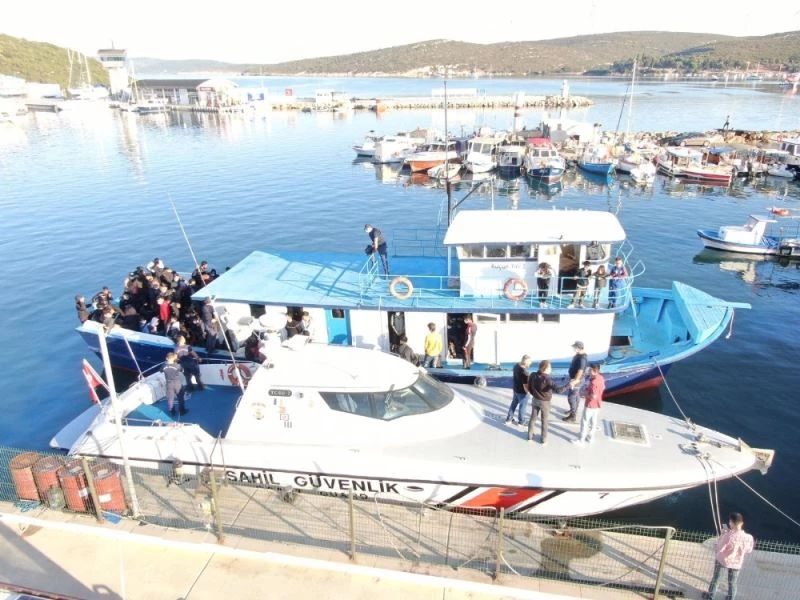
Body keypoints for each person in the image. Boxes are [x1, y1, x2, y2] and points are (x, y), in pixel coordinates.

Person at [703, 512, 754, 600]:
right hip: (737, 563)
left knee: (716, 580)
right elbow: (749, 550)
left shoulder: (728, 536)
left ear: (731, 523)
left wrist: (723, 535)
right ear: (742, 523)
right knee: (732, 583)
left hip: (723, 561)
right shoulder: (749, 537)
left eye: (730, 522)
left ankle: (710, 597)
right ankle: (730, 598)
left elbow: (719, 547)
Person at [527, 360, 560, 445]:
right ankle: (543, 439)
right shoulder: (547, 379)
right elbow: (559, 390)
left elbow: (529, 387)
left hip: (535, 400)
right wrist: (569, 384)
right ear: (545, 368)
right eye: (550, 367)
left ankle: (530, 436)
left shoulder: (533, 374)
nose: (551, 369)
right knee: (544, 421)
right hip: (545, 402)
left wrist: (534, 394)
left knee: (533, 418)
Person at [572, 363, 605, 445]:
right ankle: (591, 437)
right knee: (593, 421)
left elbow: (594, 396)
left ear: (594, 371)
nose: (589, 371)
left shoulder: (594, 382)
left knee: (585, 421)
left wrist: (584, 394)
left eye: (590, 370)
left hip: (590, 405)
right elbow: (603, 387)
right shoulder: (601, 378)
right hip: (597, 404)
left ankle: (581, 440)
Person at [562, 341, 587, 423]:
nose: (573, 348)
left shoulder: (582, 359)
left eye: (575, 347)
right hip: (576, 379)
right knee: (576, 396)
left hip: (577, 380)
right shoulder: (579, 355)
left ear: (579, 348)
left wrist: (575, 380)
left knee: (571, 397)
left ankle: (573, 416)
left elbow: (580, 371)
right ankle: (574, 410)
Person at [505, 355, 532, 426]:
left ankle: (509, 419)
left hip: (516, 389)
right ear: (527, 363)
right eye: (530, 363)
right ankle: (521, 421)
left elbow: (514, 378)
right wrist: (529, 393)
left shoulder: (516, 366)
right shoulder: (525, 373)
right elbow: (525, 386)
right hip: (522, 392)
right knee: (522, 406)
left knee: (513, 404)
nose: (530, 364)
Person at [162, 352, 187, 416]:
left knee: (170, 398)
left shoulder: (163, 365)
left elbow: (161, 370)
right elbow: (182, 370)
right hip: (177, 383)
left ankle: (172, 411)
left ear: (166, 358)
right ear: (173, 358)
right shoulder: (177, 365)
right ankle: (182, 411)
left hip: (169, 383)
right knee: (180, 397)